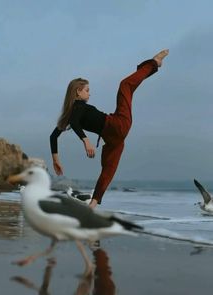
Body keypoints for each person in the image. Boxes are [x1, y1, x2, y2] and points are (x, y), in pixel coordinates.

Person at [50, 49, 169, 209]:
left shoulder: (74, 112)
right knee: (125, 85)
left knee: (108, 170)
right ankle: (154, 62)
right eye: (87, 90)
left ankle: (93, 203)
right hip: (117, 125)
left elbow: (53, 136)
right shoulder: (77, 108)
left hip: (112, 135)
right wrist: (85, 141)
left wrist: (56, 160)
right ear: (78, 92)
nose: (89, 93)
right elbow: (74, 124)